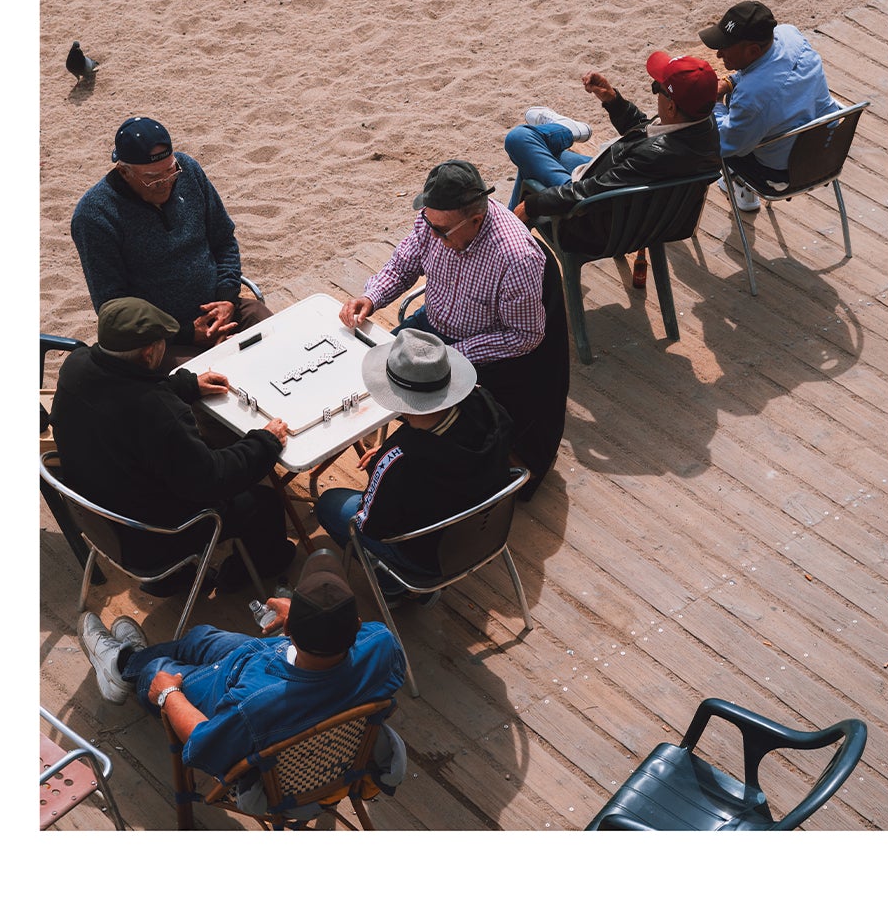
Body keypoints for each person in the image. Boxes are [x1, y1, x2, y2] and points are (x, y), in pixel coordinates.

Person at [77, 564, 408, 812]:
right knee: (201, 637)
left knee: (156, 672)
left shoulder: (255, 705)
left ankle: (122, 667)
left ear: (289, 629)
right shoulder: (382, 645)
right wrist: (311, 617)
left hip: (238, 692)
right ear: (358, 626)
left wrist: (168, 694)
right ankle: (128, 661)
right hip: (268, 666)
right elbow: (365, 639)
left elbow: (204, 743)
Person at [337, 158, 565, 496]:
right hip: (431, 327)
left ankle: (398, 463)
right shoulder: (434, 219)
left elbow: (526, 335)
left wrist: (453, 357)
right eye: (428, 223)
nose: (430, 233)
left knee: (429, 425)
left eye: (441, 231)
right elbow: (403, 264)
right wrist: (371, 296)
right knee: (362, 371)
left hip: (482, 353)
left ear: (475, 220)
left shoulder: (517, 258)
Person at [49, 296, 297, 592]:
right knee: (263, 502)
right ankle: (256, 569)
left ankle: (175, 578)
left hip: (94, 513)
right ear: (150, 353)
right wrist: (264, 441)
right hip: (152, 536)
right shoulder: (160, 414)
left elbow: (121, 391)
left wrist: (186, 385)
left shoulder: (75, 365)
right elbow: (214, 480)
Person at [314, 328, 514, 603]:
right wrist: (387, 457)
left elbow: (370, 526)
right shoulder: (490, 407)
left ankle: (393, 585)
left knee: (329, 504)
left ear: (398, 399)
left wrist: (381, 468)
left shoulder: (398, 459)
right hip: (484, 531)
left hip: (427, 555)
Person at [70, 115, 272, 363]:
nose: (165, 183)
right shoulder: (95, 216)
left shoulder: (187, 170)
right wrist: (185, 333)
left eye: (170, 171)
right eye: (153, 177)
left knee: (278, 335)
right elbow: (113, 308)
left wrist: (226, 300)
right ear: (123, 171)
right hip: (161, 338)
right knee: (209, 385)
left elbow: (224, 241)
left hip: (221, 307)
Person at [503, 49, 724, 258]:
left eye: (657, 87)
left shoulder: (654, 157)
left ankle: (566, 131)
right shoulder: (702, 126)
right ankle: (505, 232)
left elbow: (590, 193)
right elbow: (647, 133)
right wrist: (613, 101)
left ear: (671, 107)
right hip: (639, 214)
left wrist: (533, 204)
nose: (655, 89)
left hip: (591, 224)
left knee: (520, 140)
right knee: (536, 157)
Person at [697, 0, 841, 211]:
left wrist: (714, 104)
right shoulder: (789, 35)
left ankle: (744, 190)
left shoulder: (752, 98)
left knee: (703, 133)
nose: (719, 54)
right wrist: (729, 83)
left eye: (725, 48)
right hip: (828, 150)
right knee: (749, 111)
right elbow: (766, 72)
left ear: (753, 51)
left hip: (782, 173)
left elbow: (723, 145)